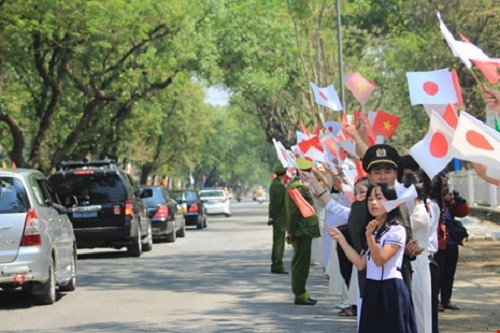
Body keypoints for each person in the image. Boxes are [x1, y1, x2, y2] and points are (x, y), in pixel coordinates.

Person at [327, 183, 417, 333]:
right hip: (372, 288)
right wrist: (341, 239)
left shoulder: (397, 230)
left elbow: (380, 259)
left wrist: (369, 237)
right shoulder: (373, 231)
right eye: (370, 199)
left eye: (379, 198)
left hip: (391, 289)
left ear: (391, 202)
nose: (373, 203)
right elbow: (361, 264)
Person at [285, 157, 321, 305]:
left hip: (302, 231)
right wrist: (291, 233)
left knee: (302, 263)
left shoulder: (298, 185)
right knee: (300, 264)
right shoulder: (297, 188)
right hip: (301, 231)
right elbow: (294, 213)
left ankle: (302, 292)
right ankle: (300, 294)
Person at [402, 170, 433, 333]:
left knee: (419, 309)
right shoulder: (420, 207)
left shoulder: (418, 212)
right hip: (419, 263)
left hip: (418, 263)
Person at [435, 183, 469, 312]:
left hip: (452, 243)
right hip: (439, 245)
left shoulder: (450, 204)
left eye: (447, 185)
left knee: (449, 273)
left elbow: (463, 213)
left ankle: (446, 300)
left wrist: (459, 202)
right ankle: (436, 300)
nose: (446, 189)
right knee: (439, 274)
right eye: (443, 185)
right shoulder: (434, 203)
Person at [268, 161, 288, 274]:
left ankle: (276, 264)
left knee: (277, 241)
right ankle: (277, 265)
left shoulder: (275, 184)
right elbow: (276, 204)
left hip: (277, 217)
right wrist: (272, 217)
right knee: (279, 243)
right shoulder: (279, 187)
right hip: (280, 218)